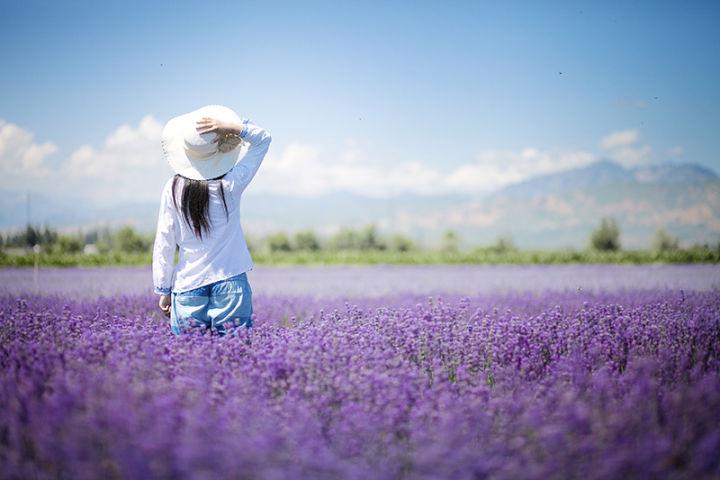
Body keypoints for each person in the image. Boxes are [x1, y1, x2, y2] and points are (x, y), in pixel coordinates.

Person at [152, 104, 272, 336]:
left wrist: (163, 288)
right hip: (231, 283)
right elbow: (263, 139)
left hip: (188, 286)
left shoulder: (173, 188)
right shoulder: (231, 184)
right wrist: (234, 128)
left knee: (190, 363)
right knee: (234, 360)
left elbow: (165, 241)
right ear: (218, 153)